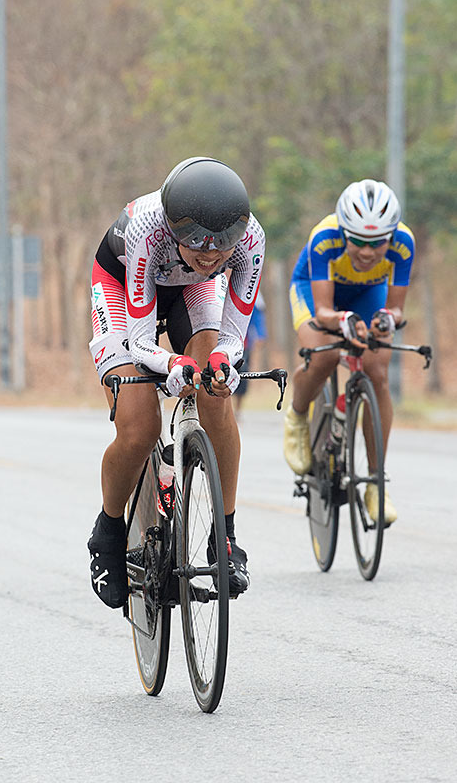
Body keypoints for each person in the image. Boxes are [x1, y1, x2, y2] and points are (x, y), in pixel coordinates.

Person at [87, 157, 265, 608]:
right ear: (173, 227)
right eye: (197, 244)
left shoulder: (251, 240)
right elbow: (142, 340)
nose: (209, 256)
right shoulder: (147, 228)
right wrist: (172, 365)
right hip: (124, 287)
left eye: (220, 249)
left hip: (191, 290)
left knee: (215, 394)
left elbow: (233, 334)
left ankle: (224, 538)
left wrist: (221, 361)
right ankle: (108, 531)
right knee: (139, 426)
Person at [284, 178, 415, 524]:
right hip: (318, 295)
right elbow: (325, 312)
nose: (368, 252)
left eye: (378, 242)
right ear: (344, 232)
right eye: (358, 241)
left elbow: (397, 309)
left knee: (378, 372)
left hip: (368, 294)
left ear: (392, 235)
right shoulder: (324, 237)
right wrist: (344, 321)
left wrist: (386, 319)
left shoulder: (404, 244)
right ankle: (297, 416)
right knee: (324, 355)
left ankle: (375, 484)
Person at [233, 291, 268, 417]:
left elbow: (258, 315)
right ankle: (227, 408)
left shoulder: (253, 291)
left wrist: (261, 334)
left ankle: (238, 408)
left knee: (242, 373)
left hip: (244, 341)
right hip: (221, 338)